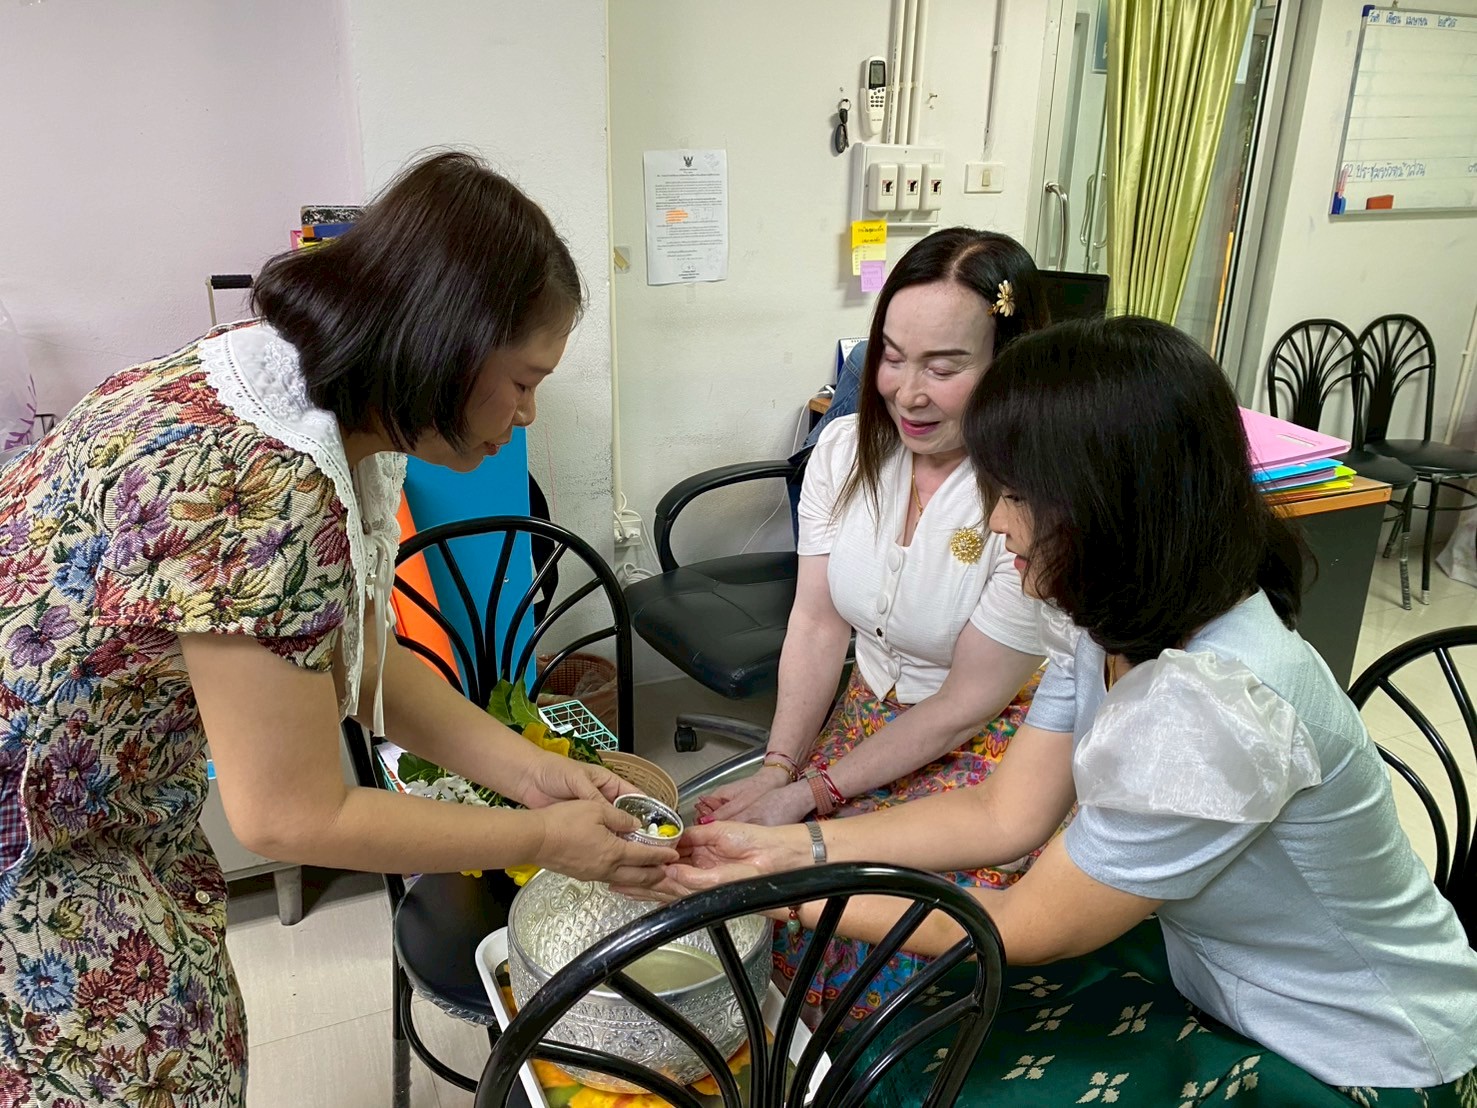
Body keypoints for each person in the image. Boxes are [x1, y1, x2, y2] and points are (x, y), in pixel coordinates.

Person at [0, 151, 674, 1107]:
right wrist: (541, 836)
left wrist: (532, 772)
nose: (527, 413)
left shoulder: (313, 391)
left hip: (109, 796)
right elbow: (289, 815)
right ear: (444, 345)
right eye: (524, 380)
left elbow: (360, 661)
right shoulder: (259, 483)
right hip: (35, 829)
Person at [657, 317, 1477, 1102]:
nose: (996, 524)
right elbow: (1003, 812)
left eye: (1014, 495)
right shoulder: (1105, 617)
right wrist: (792, 848)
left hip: (1351, 1050)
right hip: (1217, 976)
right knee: (897, 1039)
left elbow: (1023, 924)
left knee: (907, 1062)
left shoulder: (1210, 707)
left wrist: (780, 890)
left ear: (1110, 507)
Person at [694, 228, 1053, 1026]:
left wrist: (813, 792)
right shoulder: (845, 450)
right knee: (754, 885)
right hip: (870, 716)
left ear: (1009, 362)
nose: (907, 393)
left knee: (865, 931)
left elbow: (963, 703)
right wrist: (779, 768)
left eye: (944, 368)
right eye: (891, 357)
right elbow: (818, 621)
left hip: (990, 740)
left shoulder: (1030, 496)